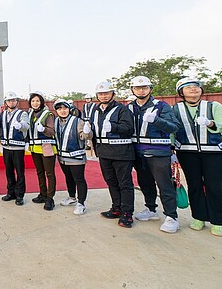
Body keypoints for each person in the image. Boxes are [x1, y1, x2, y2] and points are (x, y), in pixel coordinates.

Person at [128, 76, 182, 233]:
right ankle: (151, 209)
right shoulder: (130, 107)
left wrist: (156, 120)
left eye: (144, 87)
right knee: (145, 183)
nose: (141, 90)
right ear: (132, 90)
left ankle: (172, 216)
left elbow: (174, 127)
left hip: (158, 152)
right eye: (137, 88)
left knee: (164, 184)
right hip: (137, 152)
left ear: (150, 89)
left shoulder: (161, 106)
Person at [172, 78, 222, 236]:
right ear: (181, 92)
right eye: (188, 88)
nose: (193, 90)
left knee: (215, 186)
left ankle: (218, 220)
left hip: (213, 152)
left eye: (196, 87)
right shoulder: (175, 109)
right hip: (187, 152)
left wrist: (210, 123)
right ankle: (198, 217)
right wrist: (171, 149)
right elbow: (171, 130)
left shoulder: (213, 106)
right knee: (194, 185)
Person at [89, 81, 135, 228]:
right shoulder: (95, 111)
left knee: (125, 184)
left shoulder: (122, 109)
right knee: (111, 182)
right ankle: (117, 208)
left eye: (106, 93)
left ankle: (127, 213)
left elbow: (129, 128)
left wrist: (114, 127)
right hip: (104, 152)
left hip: (121, 152)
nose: (103, 96)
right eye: (101, 94)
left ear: (113, 94)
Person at [53, 99, 92, 215]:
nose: (62, 111)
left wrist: (87, 132)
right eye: (59, 109)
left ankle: (81, 203)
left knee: (79, 179)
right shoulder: (56, 122)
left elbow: (86, 136)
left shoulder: (77, 121)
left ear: (69, 109)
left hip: (76, 157)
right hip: (62, 157)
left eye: (65, 108)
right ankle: (72, 197)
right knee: (68, 178)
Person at [28, 91, 58, 211]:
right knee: (39, 172)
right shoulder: (30, 114)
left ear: (41, 102)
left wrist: (44, 129)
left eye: (37, 101)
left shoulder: (48, 114)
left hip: (47, 148)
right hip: (35, 148)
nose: (35, 103)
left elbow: (52, 131)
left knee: (49, 173)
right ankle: (43, 194)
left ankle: (50, 198)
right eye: (33, 101)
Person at [0, 91, 30, 206]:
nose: (11, 102)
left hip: (17, 147)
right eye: (9, 100)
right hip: (6, 147)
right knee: (9, 171)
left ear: (16, 101)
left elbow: (27, 126)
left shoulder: (22, 114)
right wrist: (1, 144)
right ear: (6, 102)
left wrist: (21, 125)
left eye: (13, 100)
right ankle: (10, 192)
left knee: (20, 172)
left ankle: (20, 195)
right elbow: (1, 129)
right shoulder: (3, 114)